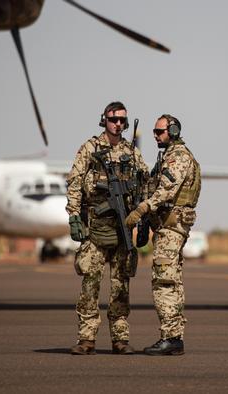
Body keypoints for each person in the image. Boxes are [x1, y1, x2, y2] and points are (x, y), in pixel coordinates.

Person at [66, 101, 148, 355]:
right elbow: (74, 183)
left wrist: (144, 220)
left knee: (120, 286)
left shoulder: (132, 153)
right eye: (114, 119)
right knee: (90, 284)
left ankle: (120, 339)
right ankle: (86, 338)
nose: (119, 124)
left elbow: (144, 185)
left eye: (123, 120)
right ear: (104, 120)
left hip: (122, 228)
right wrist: (73, 216)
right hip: (96, 227)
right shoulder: (90, 148)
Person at [125, 114, 201, 356]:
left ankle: (170, 337)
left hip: (172, 227)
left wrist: (142, 209)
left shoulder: (178, 157)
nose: (155, 136)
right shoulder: (166, 156)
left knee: (163, 281)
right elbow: (152, 185)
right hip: (167, 226)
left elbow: (166, 191)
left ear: (174, 131)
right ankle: (174, 337)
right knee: (173, 280)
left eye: (160, 132)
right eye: (154, 132)